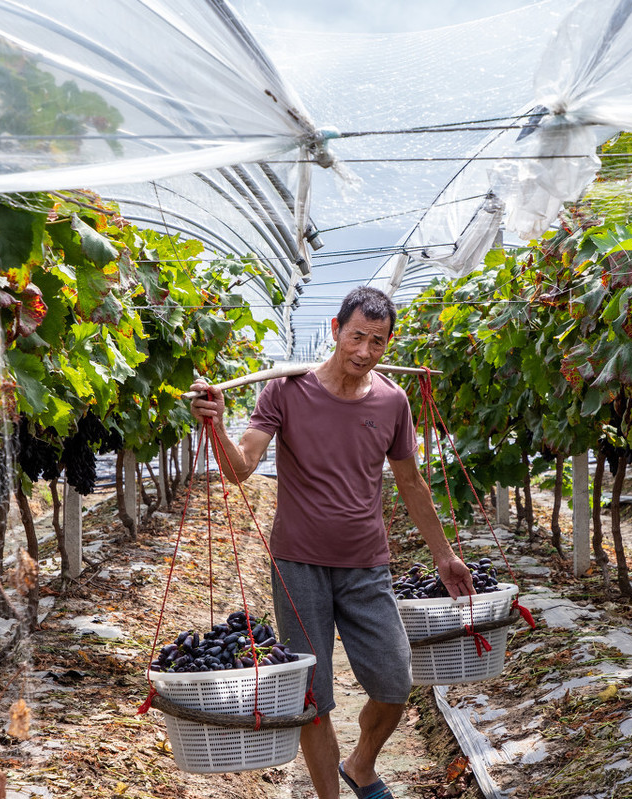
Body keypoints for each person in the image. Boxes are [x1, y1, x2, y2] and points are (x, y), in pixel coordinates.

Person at [189, 286, 472, 799]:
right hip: (299, 566)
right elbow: (239, 469)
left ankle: (360, 765)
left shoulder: (392, 400)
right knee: (312, 698)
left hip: (366, 565)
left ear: (389, 344)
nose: (365, 351)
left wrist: (445, 556)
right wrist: (214, 426)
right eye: (357, 336)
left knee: (394, 685)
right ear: (337, 329)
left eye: (378, 342)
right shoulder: (284, 392)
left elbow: (412, 484)